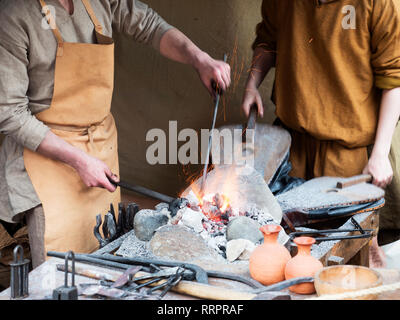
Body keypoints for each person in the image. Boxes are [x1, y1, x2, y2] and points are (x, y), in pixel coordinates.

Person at [0, 0, 231, 268]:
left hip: (100, 147)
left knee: (104, 259)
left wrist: (198, 58)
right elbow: (10, 114)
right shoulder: (15, 16)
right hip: (48, 160)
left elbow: (149, 26)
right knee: (59, 272)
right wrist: (78, 160)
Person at [241, 0, 400, 267]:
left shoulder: (380, 3)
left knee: (346, 265)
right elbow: (268, 41)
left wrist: (381, 153)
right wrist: (251, 84)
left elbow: (395, 79)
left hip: (348, 160)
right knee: (285, 260)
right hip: (290, 150)